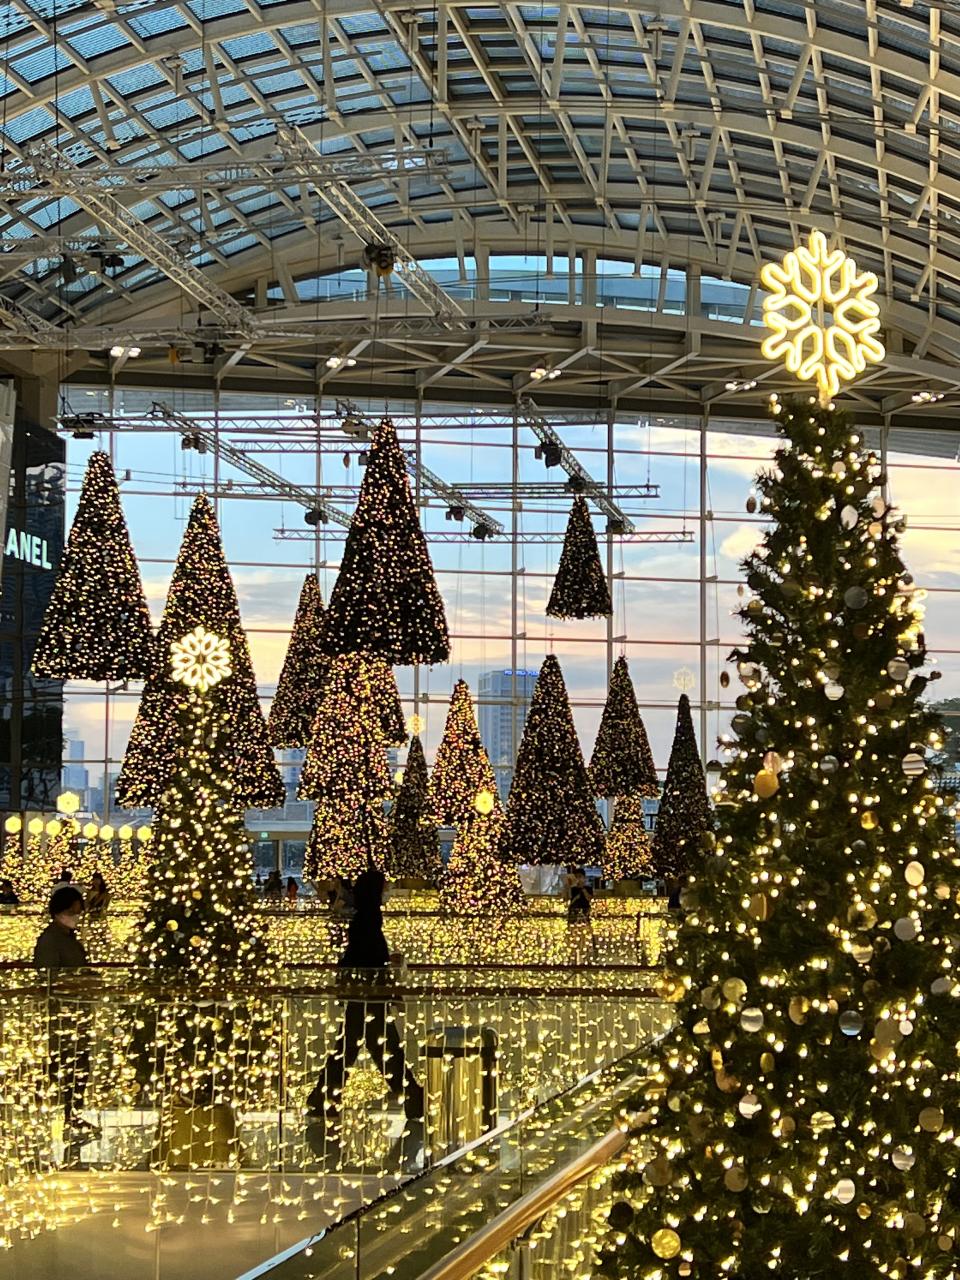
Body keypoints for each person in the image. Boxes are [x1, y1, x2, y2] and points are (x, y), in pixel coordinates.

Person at [306, 869, 424, 1132]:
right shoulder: (368, 920)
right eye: (383, 888)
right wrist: (386, 977)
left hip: (363, 997)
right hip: (369, 997)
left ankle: (324, 1097)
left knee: (352, 1048)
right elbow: (364, 957)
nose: (387, 893)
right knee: (380, 1049)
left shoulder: (366, 918)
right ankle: (412, 1097)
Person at [33, 886, 99, 1143]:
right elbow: (48, 977)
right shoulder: (51, 940)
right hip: (63, 1016)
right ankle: (65, 1114)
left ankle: (73, 1114)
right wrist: (79, 982)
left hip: (76, 1014)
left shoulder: (69, 938)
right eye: (73, 912)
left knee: (77, 1066)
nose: (77, 916)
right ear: (60, 912)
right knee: (65, 1066)